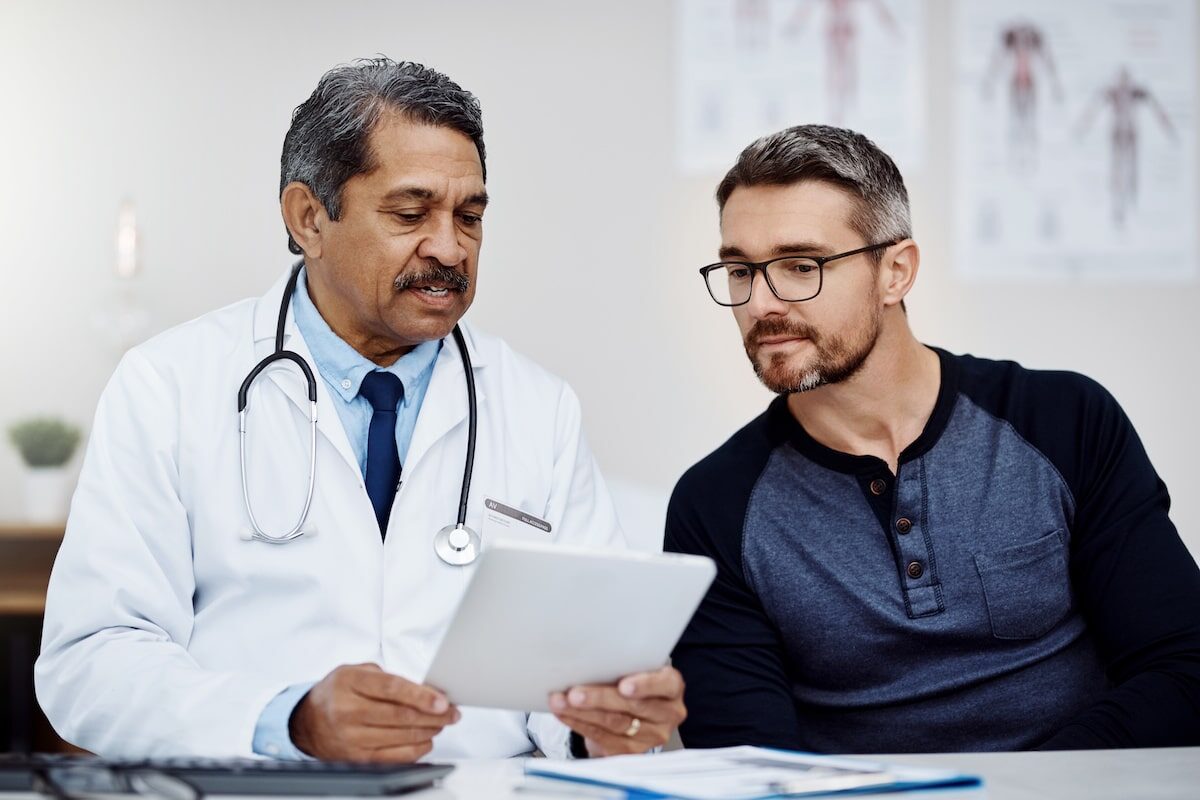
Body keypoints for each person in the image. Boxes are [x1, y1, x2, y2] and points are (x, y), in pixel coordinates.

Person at [36, 58, 685, 762]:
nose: (448, 247)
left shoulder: (538, 407)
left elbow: (581, 670)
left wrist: (606, 723)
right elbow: (91, 663)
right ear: (308, 217)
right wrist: (287, 722)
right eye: (410, 213)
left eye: (469, 217)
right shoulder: (169, 385)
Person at [665, 124, 1200, 752]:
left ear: (896, 272)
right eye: (739, 271)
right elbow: (745, 762)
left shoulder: (1064, 421)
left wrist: (1017, 795)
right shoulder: (716, 504)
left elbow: (1183, 673)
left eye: (799, 266)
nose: (760, 302)